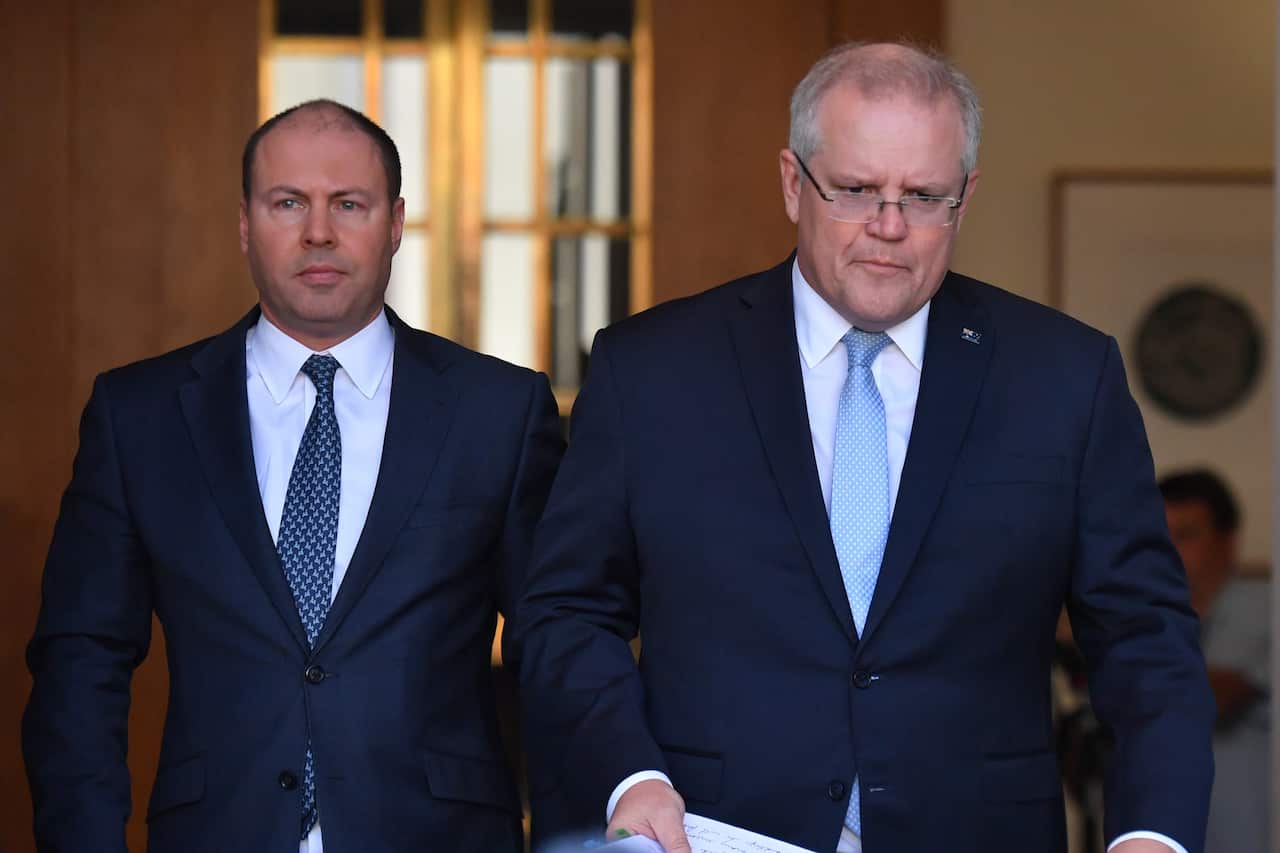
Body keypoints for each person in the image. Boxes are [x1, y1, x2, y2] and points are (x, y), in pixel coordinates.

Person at [514, 43, 1213, 853]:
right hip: (711, 832)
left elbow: (1144, 637)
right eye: (855, 190)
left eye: (922, 195)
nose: (889, 226)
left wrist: (1154, 835)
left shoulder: (1065, 377)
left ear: (966, 197)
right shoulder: (652, 369)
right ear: (791, 182)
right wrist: (628, 773)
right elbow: (566, 610)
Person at [23, 100, 563, 852]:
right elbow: (80, 662)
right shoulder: (138, 416)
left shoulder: (499, 412)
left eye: (349, 204)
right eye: (288, 203)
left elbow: (563, 646)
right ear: (245, 223)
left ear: (397, 222)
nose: (319, 231)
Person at [1160, 469, 1270, 852]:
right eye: (1159, 538)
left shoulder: (1262, 605)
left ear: (1228, 541)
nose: (1169, 551)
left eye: (1186, 536)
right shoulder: (1157, 622)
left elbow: (1214, 697)